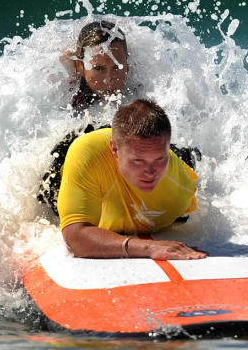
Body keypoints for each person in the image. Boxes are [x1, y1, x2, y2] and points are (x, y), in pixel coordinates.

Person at [37, 20, 200, 213]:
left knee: (188, 156)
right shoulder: (68, 85)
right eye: (98, 68)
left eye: (117, 67)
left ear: (128, 65)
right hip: (84, 152)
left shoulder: (139, 86)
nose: (109, 78)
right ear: (81, 67)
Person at [57, 99, 207, 259]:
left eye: (159, 159)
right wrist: (149, 247)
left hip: (150, 152)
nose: (150, 172)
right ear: (114, 149)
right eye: (138, 161)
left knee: (190, 157)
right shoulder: (88, 156)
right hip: (89, 149)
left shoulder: (180, 193)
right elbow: (75, 239)